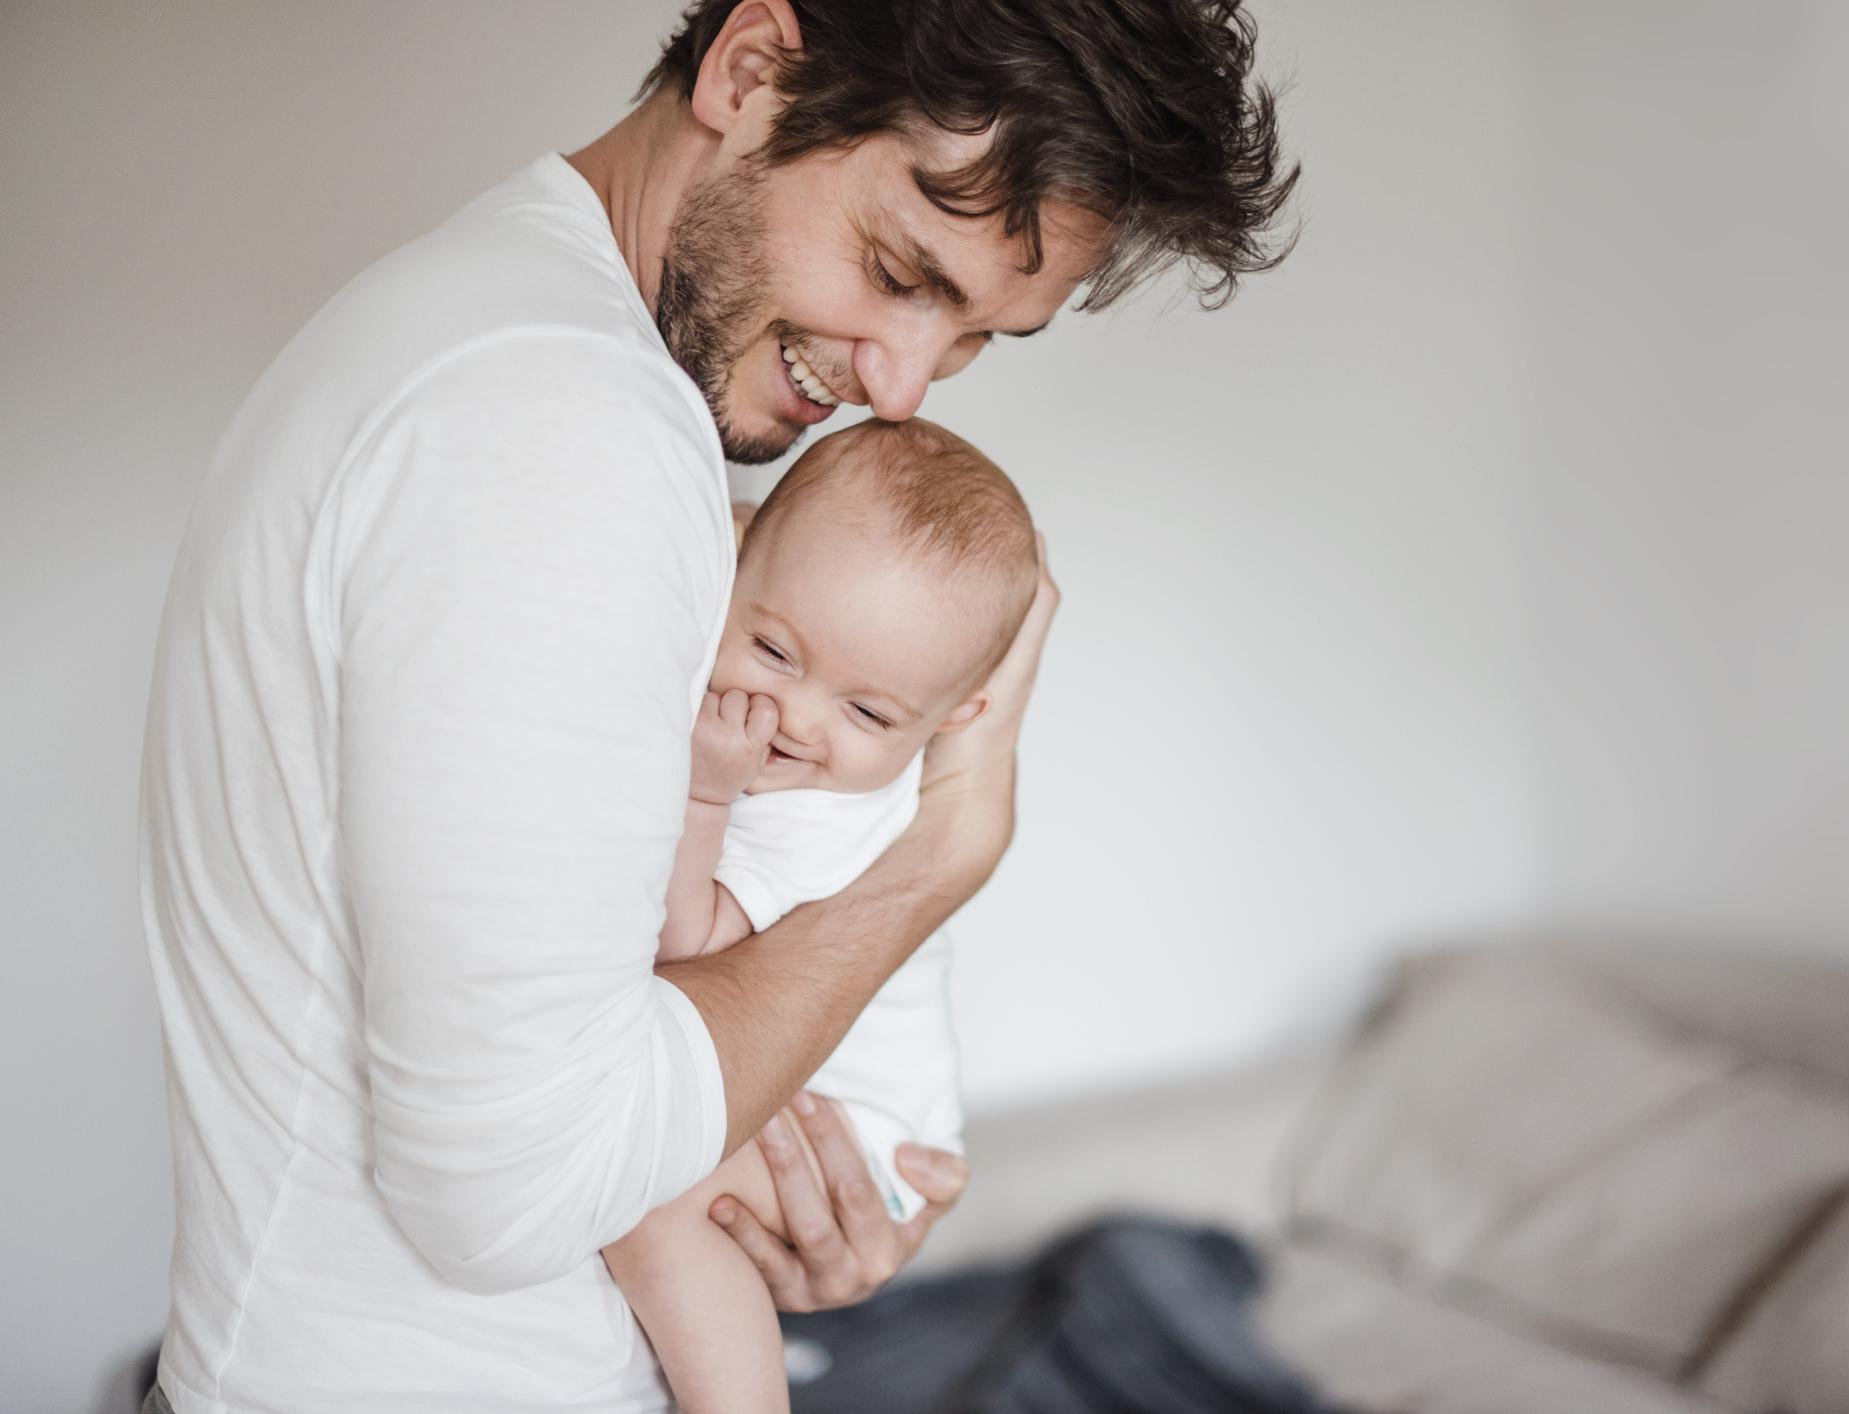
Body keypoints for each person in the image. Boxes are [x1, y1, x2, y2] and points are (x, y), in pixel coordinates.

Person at [138, 2, 1296, 1410]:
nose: (900, 384)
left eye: (979, 337)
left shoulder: (483, 324)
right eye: (896, 270)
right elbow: (510, 1192)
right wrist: (934, 859)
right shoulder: (564, 422)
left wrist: (761, 1197)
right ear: (750, 73)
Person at [607, 416, 1038, 1412]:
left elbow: (689, 946)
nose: (798, 719)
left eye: (870, 714)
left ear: (955, 720)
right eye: (772, 649)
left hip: (857, 1138)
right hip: (811, 1101)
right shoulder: (795, 674)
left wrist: (705, 796)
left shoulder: (828, 817)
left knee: (644, 1198)